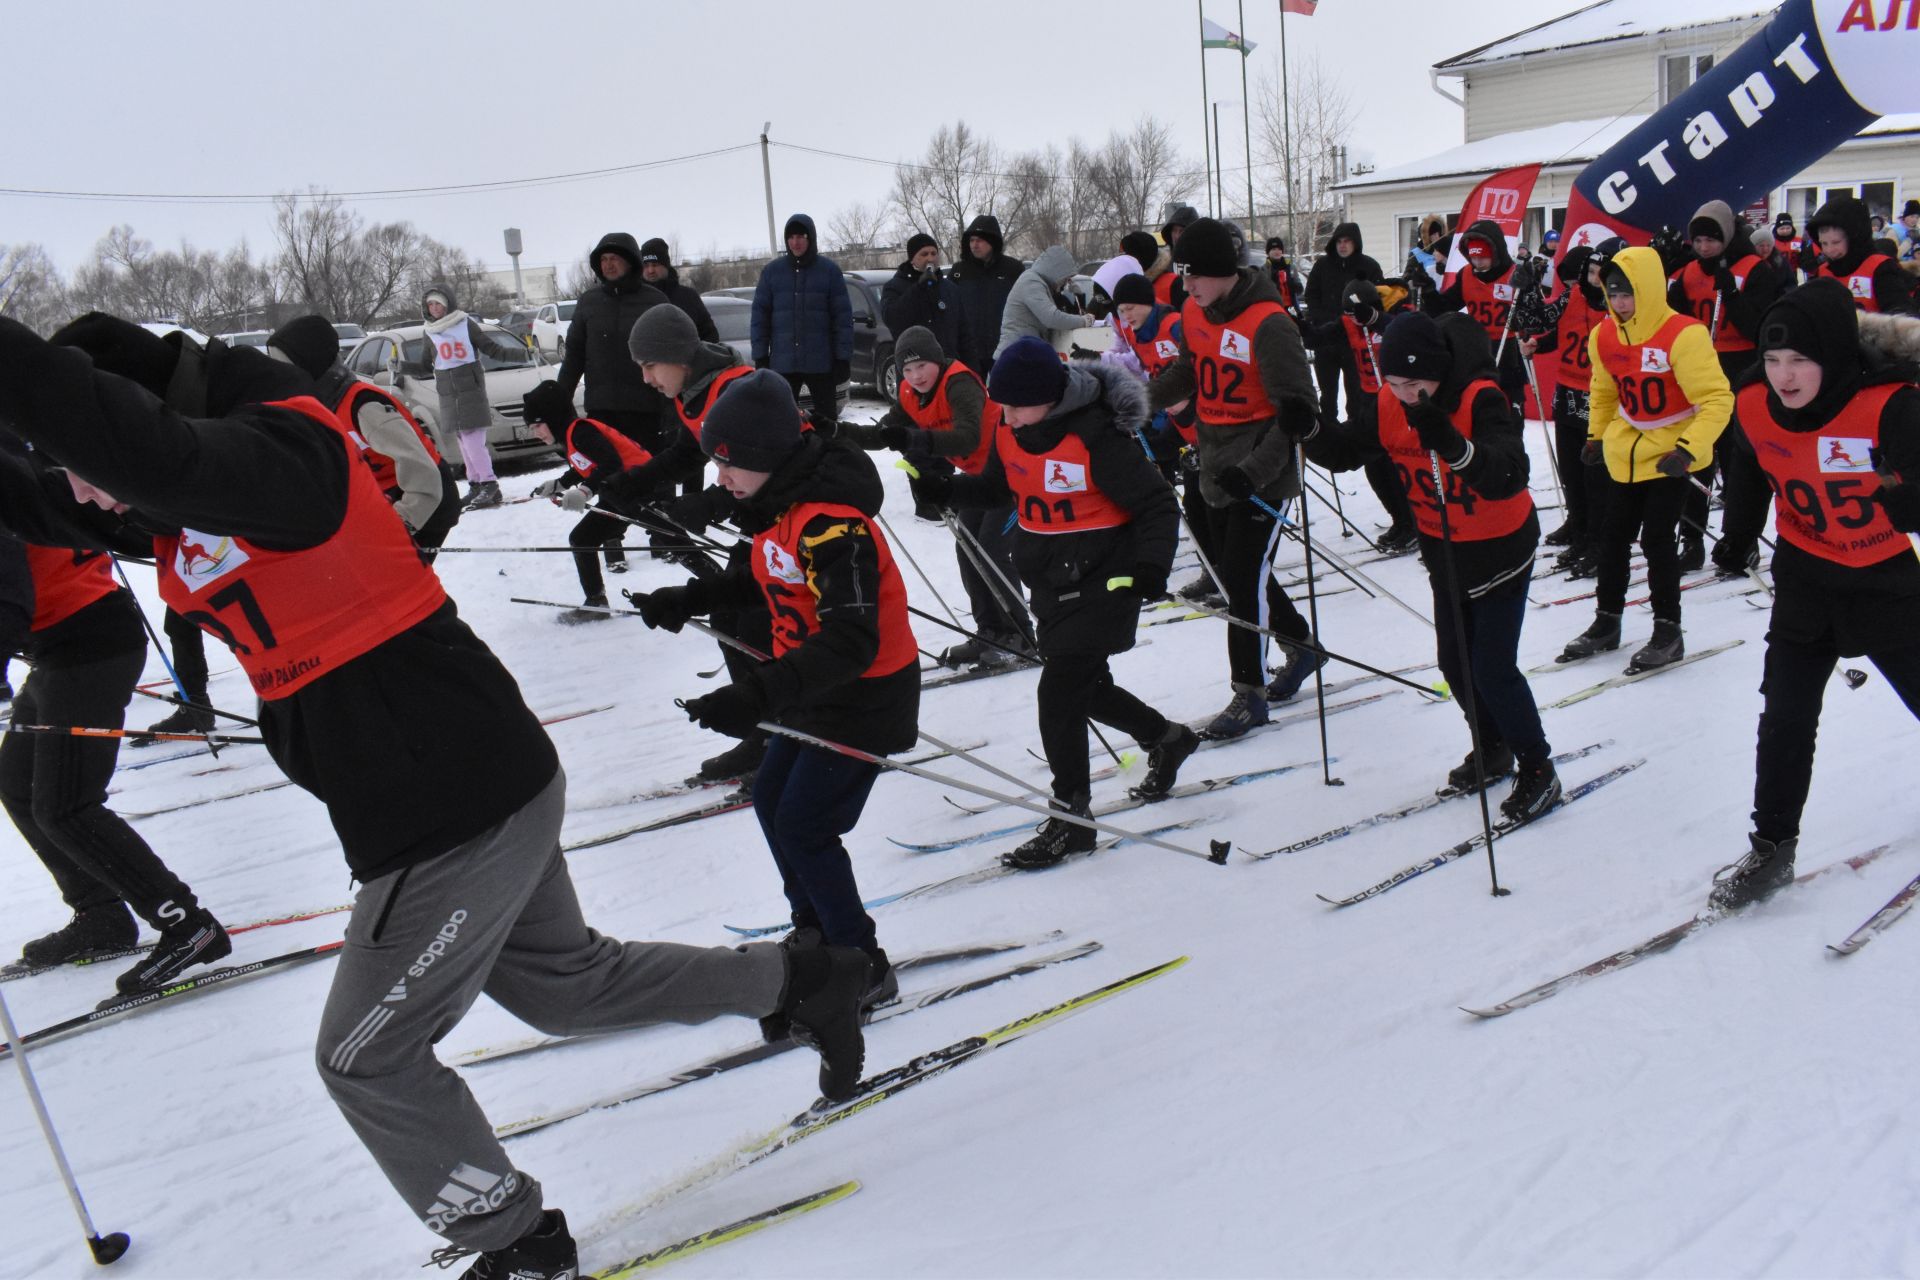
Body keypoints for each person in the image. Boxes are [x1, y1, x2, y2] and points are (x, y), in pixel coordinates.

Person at [0, 311, 872, 1278]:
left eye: (86, 456)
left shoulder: (284, 456)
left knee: (365, 1057)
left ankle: (515, 1240)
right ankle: (808, 983)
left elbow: (138, 453)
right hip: (468, 776)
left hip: (447, 802)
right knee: (569, 984)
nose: (82, 486)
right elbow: (53, 498)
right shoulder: (174, 489)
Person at [629, 369, 916, 1003]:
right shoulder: (777, 509)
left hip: (864, 696)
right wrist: (690, 597)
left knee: (807, 825)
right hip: (815, 691)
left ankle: (862, 961)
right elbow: (768, 579)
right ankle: (814, 930)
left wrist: (757, 694)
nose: (721, 479)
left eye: (729, 465)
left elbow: (851, 639)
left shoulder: (834, 526)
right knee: (771, 804)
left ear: (767, 457)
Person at [911, 339, 1195, 869]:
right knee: (1088, 688)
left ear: (1052, 398)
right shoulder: (1010, 426)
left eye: (1017, 406)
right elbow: (1000, 486)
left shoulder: (1096, 435)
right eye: (1004, 406)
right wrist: (949, 490)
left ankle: (1072, 819)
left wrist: (1151, 568)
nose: (1008, 417)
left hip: (1107, 577)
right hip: (1049, 576)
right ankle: (1165, 738)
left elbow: (1157, 503)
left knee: (1060, 690)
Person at [1707, 280, 1920, 909]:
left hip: (1886, 584)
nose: (1784, 376)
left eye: (1800, 360)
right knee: (1785, 717)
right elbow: (1748, 467)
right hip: (1805, 579)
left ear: (1833, 352)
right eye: (1773, 361)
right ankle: (1772, 847)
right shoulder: (1751, 402)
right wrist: (1738, 535)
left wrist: (1899, 494)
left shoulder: (1894, 405)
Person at [1302, 312, 1561, 817]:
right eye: (1394, 383)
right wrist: (1309, 427)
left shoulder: (1479, 396)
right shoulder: (1388, 403)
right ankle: (1492, 745)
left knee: (1492, 667)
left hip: (1501, 546)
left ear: (1439, 370)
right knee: (1455, 662)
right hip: (1445, 549)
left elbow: (1508, 473)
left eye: (1415, 384)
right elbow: (1346, 452)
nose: (1404, 394)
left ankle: (1539, 768)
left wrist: (1451, 443)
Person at [0, 511, 231, 992]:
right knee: (18, 785)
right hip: (59, 647)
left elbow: (9, 595)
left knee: (67, 807)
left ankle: (188, 925)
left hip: (89, 643)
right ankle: (100, 914)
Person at [1147, 218, 1323, 734]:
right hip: (1214, 459)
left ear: (1223, 272)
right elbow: (1189, 369)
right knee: (1235, 572)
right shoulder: (1194, 310)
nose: (1186, 286)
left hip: (1262, 471)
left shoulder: (1269, 325)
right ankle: (1302, 647)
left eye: (1194, 276)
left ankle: (1248, 693)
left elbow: (1299, 415)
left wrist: (1254, 472)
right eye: (1182, 276)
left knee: (1243, 581)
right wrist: (1136, 399)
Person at [621, 302, 774, 783]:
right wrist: (626, 486)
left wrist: (713, 505)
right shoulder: (696, 393)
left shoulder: (733, 389)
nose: (646, 379)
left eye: (649, 366)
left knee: (754, 622)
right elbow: (687, 453)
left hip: (784, 521)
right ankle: (763, 729)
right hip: (759, 521)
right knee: (729, 614)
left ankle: (781, 731)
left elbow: (772, 463)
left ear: (678, 356)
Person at [1560, 247, 1733, 670]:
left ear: (1649, 290)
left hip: (1671, 455)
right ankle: (1607, 621)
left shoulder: (1683, 334)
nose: (1620, 303)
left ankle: (1668, 630)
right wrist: (1596, 437)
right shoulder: (1605, 335)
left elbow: (1717, 399)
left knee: (1657, 540)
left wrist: (1689, 448)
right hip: (1626, 451)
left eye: (1628, 294)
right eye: (1613, 294)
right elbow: (1602, 392)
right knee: (1613, 536)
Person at [840, 325, 1023, 665]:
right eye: (907, 370)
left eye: (921, 366)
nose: (915, 375)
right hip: (976, 476)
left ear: (937, 361)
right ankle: (990, 631)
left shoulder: (960, 383)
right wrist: (836, 432)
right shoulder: (910, 394)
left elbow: (967, 436)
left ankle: (1021, 633)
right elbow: (882, 434)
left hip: (1011, 473)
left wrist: (915, 440)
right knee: (967, 548)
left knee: (992, 548)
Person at [266, 314, 461, 551]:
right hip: (387, 503)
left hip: (424, 505)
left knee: (394, 582)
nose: (280, 374)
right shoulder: (323, 406)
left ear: (310, 364)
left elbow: (421, 468)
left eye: (285, 366)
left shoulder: (364, 406)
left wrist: (402, 520)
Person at [1664, 201, 1787, 575]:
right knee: (1696, 453)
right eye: (1698, 240)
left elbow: (1760, 329)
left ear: (1728, 237)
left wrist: (1732, 295)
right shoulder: (1686, 274)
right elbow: (1672, 321)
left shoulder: (1754, 270)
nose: (1704, 247)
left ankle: (1741, 538)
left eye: (1712, 240)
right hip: (1698, 368)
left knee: (1738, 460)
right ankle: (1692, 537)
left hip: (1741, 368)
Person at [520, 379, 661, 623]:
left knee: (679, 542)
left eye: (537, 425)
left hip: (646, 488)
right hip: (622, 493)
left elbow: (611, 463)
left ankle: (721, 586)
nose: (535, 433)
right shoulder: (571, 436)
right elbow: (583, 465)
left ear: (552, 418)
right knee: (582, 538)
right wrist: (559, 484)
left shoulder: (581, 431)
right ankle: (596, 602)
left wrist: (585, 491)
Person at [1519, 241, 1612, 577]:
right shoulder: (1571, 297)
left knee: (1596, 475)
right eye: (1588, 273)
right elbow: (1543, 322)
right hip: (1567, 393)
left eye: (1600, 274)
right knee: (1571, 470)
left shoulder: (1617, 307)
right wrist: (1529, 287)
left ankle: (1600, 539)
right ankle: (1580, 526)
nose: (1592, 280)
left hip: (1599, 400)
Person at [555, 232, 675, 468]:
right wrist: (560, 402)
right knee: (609, 480)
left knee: (651, 480)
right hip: (602, 410)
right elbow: (574, 356)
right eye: (603, 259)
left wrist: (673, 413)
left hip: (647, 411)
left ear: (630, 261)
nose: (608, 265)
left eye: (614, 259)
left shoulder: (655, 300)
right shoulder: (589, 301)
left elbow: (673, 356)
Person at [1330, 278, 1421, 552]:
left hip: (1398, 398)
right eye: (1350, 316)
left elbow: (1411, 331)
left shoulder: (1399, 311)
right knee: (1374, 464)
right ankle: (1400, 519)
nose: (1354, 321)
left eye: (1358, 315)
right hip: (1370, 401)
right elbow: (1320, 336)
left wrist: (1377, 318)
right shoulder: (1349, 322)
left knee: (1397, 464)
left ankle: (1414, 522)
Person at [415, 285, 524, 511]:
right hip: (447, 393)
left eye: (438, 303)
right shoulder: (429, 332)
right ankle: (476, 484)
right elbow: (424, 366)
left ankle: (489, 483)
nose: (434, 308)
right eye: (430, 305)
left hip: (470, 390)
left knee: (473, 439)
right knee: (464, 442)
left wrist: (523, 352)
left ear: (448, 304)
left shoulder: (465, 324)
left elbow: (493, 350)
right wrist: (400, 367)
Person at [751, 212, 853, 437]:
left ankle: (829, 462)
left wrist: (842, 357)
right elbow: (760, 317)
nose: (796, 242)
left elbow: (842, 318)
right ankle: (788, 465)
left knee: (826, 422)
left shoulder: (829, 272)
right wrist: (761, 355)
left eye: (801, 236)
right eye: (791, 237)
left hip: (821, 363)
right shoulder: (772, 273)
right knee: (780, 420)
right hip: (783, 364)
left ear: (811, 238)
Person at [1424, 220, 1533, 411]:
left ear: (1495, 252)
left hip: (1509, 352)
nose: (1478, 263)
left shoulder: (1514, 274)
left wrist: (1530, 283)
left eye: (1483, 257)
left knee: (1510, 413)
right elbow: (1443, 307)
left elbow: (1534, 312)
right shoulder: (1466, 275)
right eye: (1473, 258)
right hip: (1478, 351)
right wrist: (1428, 291)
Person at [1304, 221, 1384, 433]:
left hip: (1356, 342)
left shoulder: (1369, 266)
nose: (1343, 245)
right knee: (1328, 394)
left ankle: (1356, 433)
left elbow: (1380, 299)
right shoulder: (1322, 265)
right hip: (1326, 340)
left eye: (1347, 241)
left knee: (1356, 394)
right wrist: (1321, 320)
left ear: (1356, 243)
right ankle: (1330, 436)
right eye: (1339, 241)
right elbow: (1311, 294)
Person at [1804, 196, 1915, 315]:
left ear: (1854, 238)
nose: (1829, 250)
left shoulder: (1882, 268)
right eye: (1823, 243)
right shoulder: (1822, 272)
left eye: (1836, 242)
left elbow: (1902, 318)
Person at [948, 214, 1023, 377]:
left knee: (1005, 398)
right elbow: (949, 307)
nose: (974, 245)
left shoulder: (1013, 269)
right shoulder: (959, 271)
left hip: (1005, 346)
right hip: (969, 350)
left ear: (992, 242)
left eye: (980, 240)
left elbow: (1025, 302)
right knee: (973, 398)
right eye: (971, 240)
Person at [995, 245, 1090, 355]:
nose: (1067, 282)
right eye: (1067, 277)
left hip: (1023, 352)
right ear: (1058, 270)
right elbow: (1051, 318)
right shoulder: (1031, 282)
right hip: (1015, 355)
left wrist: (1079, 296)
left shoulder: (1041, 283)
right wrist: (1083, 321)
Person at [881, 232, 963, 360]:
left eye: (934, 253)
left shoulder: (949, 288)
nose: (930, 259)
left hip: (948, 363)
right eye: (924, 254)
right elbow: (892, 319)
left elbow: (964, 333)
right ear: (912, 258)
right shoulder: (894, 287)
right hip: (914, 365)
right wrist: (918, 288)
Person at [637, 237, 719, 344]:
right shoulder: (635, 298)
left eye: (655, 265)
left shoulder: (688, 297)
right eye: (646, 265)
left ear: (666, 266)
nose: (650, 270)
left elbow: (709, 335)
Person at [1265, 236, 1305, 315]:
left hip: (1292, 308)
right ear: (1268, 252)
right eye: (1273, 249)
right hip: (1274, 310)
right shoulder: (1264, 269)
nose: (1277, 252)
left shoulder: (1290, 267)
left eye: (1279, 249)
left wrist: (1297, 287)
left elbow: (1299, 288)